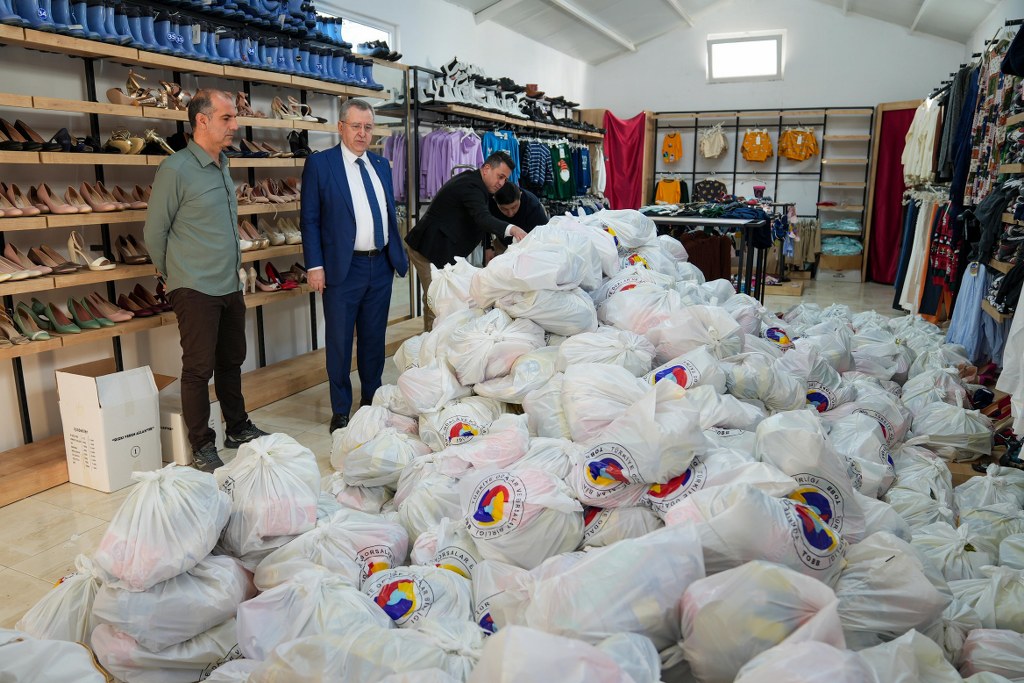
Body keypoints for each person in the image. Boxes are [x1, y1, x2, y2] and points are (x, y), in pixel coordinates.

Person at [144, 89, 267, 472]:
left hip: (229, 283)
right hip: (194, 286)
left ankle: (237, 427)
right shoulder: (176, 169)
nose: (235, 125)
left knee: (231, 361)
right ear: (202, 120)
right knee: (198, 369)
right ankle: (201, 445)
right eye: (227, 118)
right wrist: (173, 276)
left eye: (234, 117)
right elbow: (154, 231)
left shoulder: (223, 163)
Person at [300, 98, 408, 433]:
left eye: (368, 127)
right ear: (341, 127)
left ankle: (371, 402)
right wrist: (314, 266)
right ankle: (341, 410)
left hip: (380, 266)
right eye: (356, 126)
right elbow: (310, 219)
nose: (362, 133)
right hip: (342, 269)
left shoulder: (381, 164)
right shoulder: (321, 165)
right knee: (340, 342)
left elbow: (388, 213)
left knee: (374, 340)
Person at [405, 150, 527, 330]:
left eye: (505, 179)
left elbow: (480, 218)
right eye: (500, 176)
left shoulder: (478, 184)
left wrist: (488, 245)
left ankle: (437, 335)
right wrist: (512, 229)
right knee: (438, 297)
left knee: (441, 296)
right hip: (428, 247)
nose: (502, 183)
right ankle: (432, 340)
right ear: (486, 169)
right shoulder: (471, 186)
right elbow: (482, 218)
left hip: (443, 247)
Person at [487, 182, 548, 257]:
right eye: (504, 209)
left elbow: (544, 233)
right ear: (494, 199)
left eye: (514, 207)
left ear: (520, 195)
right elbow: (483, 224)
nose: (510, 213)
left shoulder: (532, 205)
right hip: (503, 244)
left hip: (531, 246)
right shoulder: (489, 202)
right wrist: (487, 247)